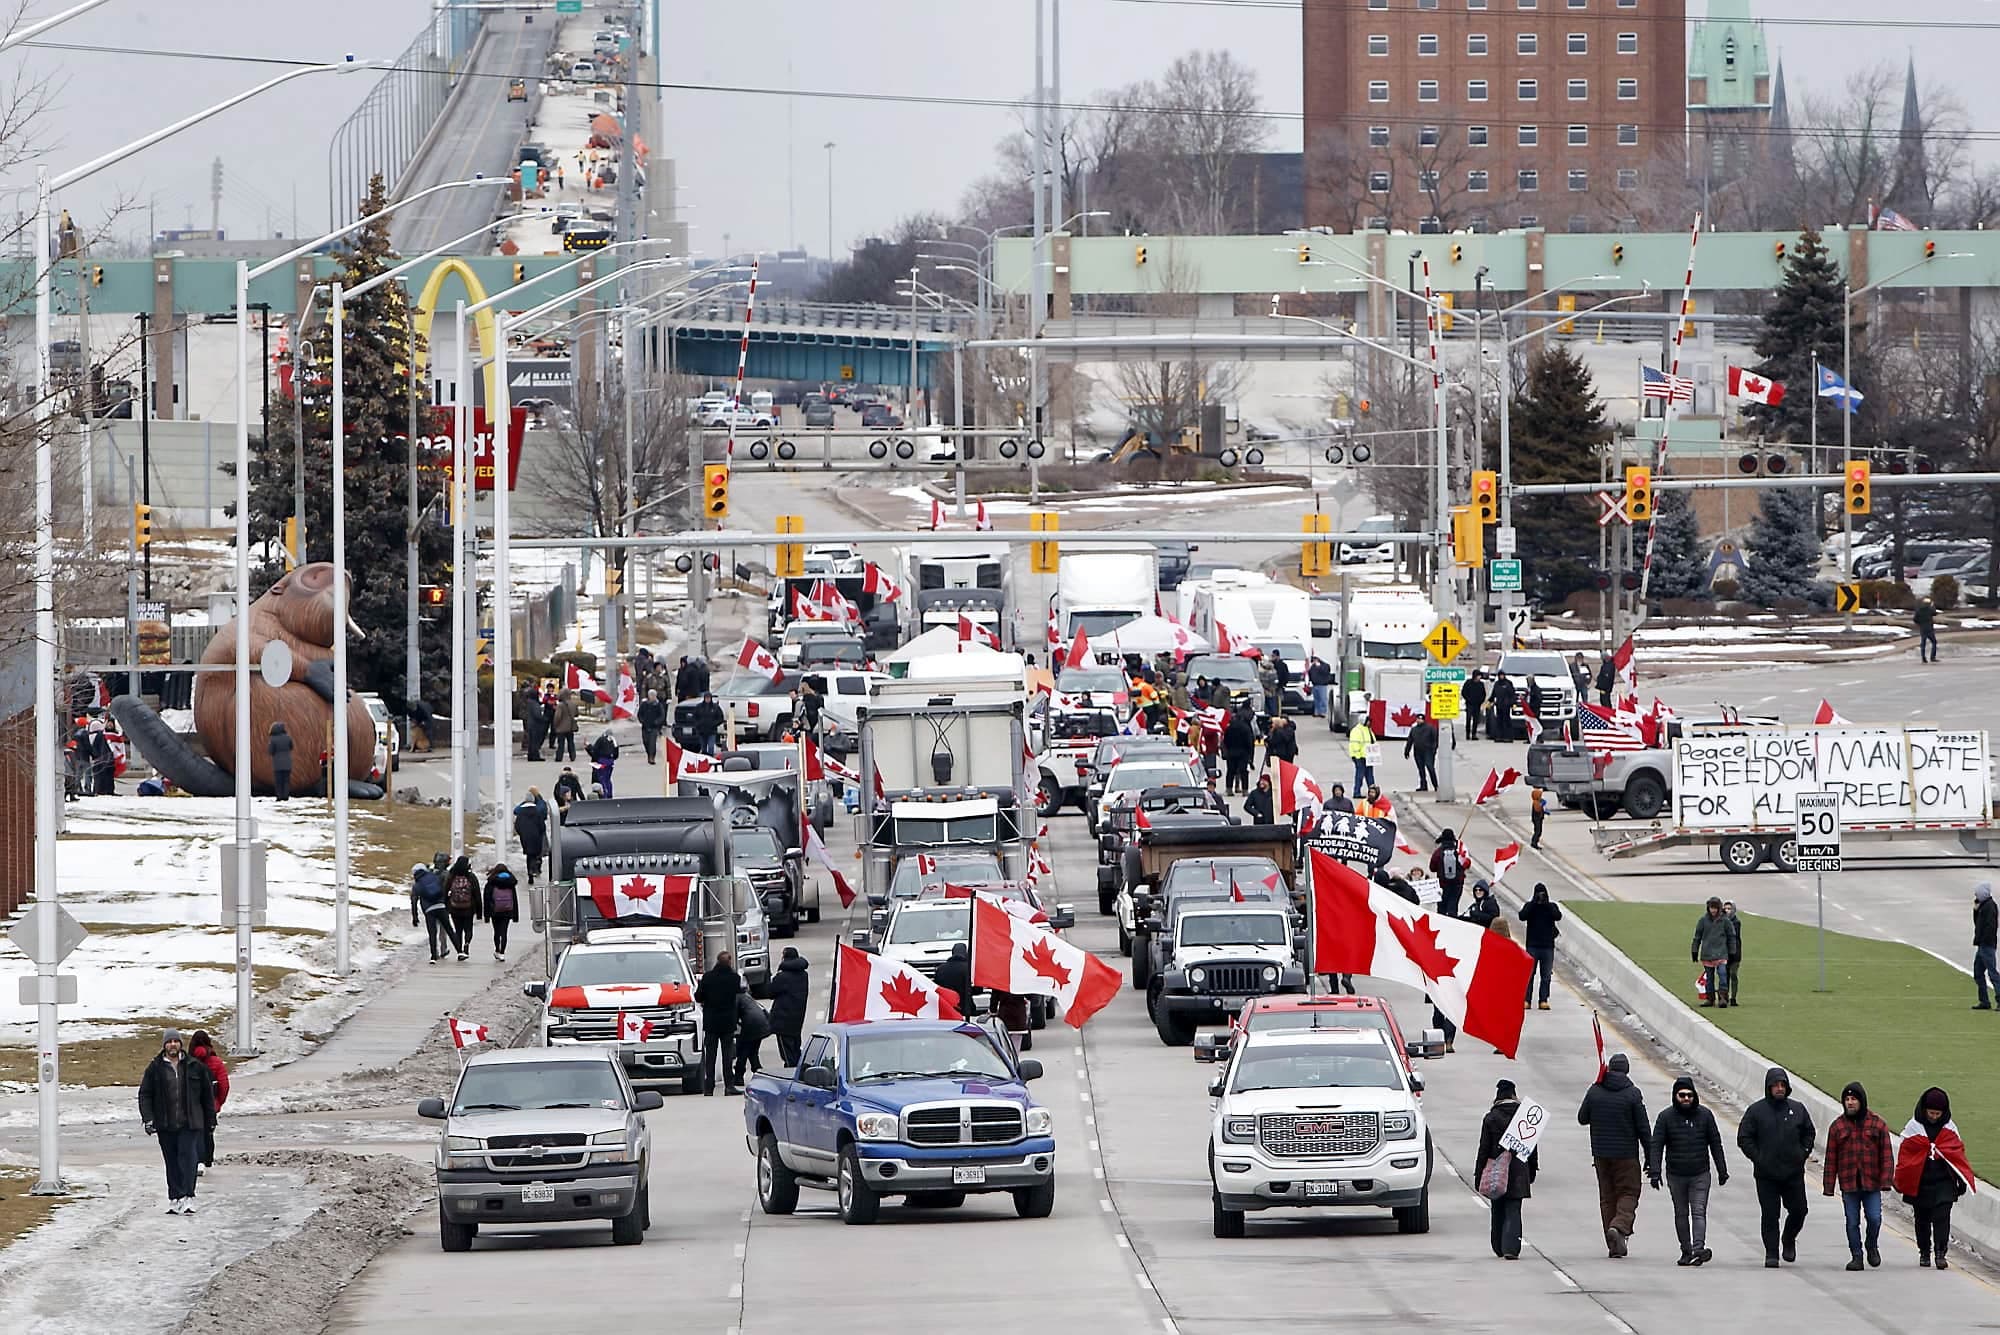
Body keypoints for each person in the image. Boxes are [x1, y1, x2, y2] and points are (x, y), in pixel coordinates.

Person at [1737, 1066, 1816, 1268]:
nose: (1779, 1089)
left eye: (1782, 1085)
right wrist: (1759, 1158)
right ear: (1769, 1087)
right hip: (1766, 1175)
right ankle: (1771, 1253)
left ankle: (1788, 1239)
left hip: (1793, 1173)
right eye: (1775, 1085)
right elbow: (1744, 1137)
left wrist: (1802, 1152)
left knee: (1799, 1210)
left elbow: (1809, 1132)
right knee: (1770, 1214)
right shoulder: (1756, 1111)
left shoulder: (1797, 1109)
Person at [1648, 1075, 1728, 1266]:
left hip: (1700, 1173)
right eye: (1681, 1095)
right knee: (1681, 1213)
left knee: (1699, 1211)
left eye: (1689, 1095)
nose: (1685, 1099)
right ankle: (1686, 1250)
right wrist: (1655, 1171)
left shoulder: (1705, 1115)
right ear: (1675, 1096)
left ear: (1695, 1096)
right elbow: (1657, 1145)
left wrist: (1722, 1169)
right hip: (1676, 1175)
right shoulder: (1665, 1117)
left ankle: (1698, 1248)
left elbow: (1715, 1143)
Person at [137, 1027, 216, 1214]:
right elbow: (145, 1095)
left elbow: (207, 1096)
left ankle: (188, 1196)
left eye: (176, 1041)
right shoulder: (155, 1068)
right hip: (165, 1124)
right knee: (171, 1162)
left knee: (188, 1160)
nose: (173, 1044)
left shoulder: (195, 1066)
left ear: (181, 1044)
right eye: (169, 1041)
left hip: (190, 1123)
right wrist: (148, 1118)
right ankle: (175, 1198)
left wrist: (210, 1120)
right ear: (164, 1045)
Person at [1578, 1052, 1649, 1257]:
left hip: (1600, 1154)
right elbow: (1643, 1128)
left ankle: (1614, 1244)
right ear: (1626, 1070)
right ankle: (1618, 1227)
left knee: (1607, 1197)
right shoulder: (1632, 1094)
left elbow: (1582, 1118)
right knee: (1628, 1192)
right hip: (1626, 1154)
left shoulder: (1595, 1090)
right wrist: (1651, 1158)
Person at [1896, 1086, 1971, 1269]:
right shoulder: (1913, 1127)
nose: (1934, 1117)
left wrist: (1961, 1179)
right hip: (1920, 1182)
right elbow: (1905, 1154)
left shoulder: (1950, 1129)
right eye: (1931, 1113)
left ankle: (1940, 1253)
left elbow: (1957, 1155)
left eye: (1938, 1113)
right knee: (1921, 1219)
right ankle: (1924, 1252)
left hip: (1943, 1182)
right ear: (1924, 1110)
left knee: (1942, 1217)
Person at [1824, 1081, 1894, 1271]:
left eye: (1854, 1099)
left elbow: (1887, 1155)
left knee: (1874, 1218)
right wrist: (1829, 1186)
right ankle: (1856, 1255)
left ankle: (1872, 1245)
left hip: (1871, 1184)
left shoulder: (1878, 1124)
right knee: (1852, 1221)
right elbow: (1831, 1158)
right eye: (1847, 1100)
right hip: (1849, 1185)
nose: (1850, 1103)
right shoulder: (1837, 1127)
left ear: (1861, 1101)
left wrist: (1886, 1180)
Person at [1476, 1078, 1538, 1260]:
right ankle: (1511, 1248)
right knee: (1514, 1209)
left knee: (1497, 1208)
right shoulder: (1524, 1117)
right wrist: (1532, 1171)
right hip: (1519, 1172)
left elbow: (1483, 1148)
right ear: (1513, 1095)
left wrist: (1479, 1174)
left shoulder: (1490, 1118)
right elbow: (1532, 1149)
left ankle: (1498, 1247)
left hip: (1497, 1172)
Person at [696, 951, 742, 1094]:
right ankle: (729, 1085)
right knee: (727, 1055)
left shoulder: (708, 977)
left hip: (711, 1021)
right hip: (728, 1022)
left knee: (710, 1055)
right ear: (729, 963)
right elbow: (738, 993)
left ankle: (709, 1087)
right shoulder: (734, 978)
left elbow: (698, 997)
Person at [188, 1030, 229, 1172]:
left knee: (194, 1132)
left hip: (192, 1105)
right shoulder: (216, 1062)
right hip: (211, 1104)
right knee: (208, 1131)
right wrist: (218, 1103)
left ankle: (196, 1159)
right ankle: (207, 1160)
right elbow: (224, 1085)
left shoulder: (188, 1061)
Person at [1520, 883, 1561, 1009]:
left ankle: (1543, 999)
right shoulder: (1530, 906)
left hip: (1547, 947)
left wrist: (1546, 904)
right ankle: (1527, 1000)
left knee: (1546, 976)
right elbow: (1522, 916)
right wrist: (1534, 903)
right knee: (1529, 975)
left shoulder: (1551, 906)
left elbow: (1558, 916)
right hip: (1533, 946)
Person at [767, 947, 810, 1066]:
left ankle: (791, 1073)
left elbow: (770, 992)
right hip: (797, 1018)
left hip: (782, 1019)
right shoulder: (804, 975)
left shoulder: (783, 976)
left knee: (786, 1053)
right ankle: (797, 1069)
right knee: (795, 1048)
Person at [1692, 897, 1733, 1009]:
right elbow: (1697, 937)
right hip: (1707, 954)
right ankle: (1710, 998)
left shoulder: (1725, 921)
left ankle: (1723, 998)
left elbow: (1731, 936)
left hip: (1721, 953)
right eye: (1711, 908)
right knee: (1709, 978)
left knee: (1723, 975)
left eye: (1715, 908)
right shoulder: (1703, 920)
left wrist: (1732, 951)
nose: (1713, 910)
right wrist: (1694, 950)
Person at [410, 861, 452, 962]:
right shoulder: (436, 878)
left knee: (433, 932)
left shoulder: (418, 883)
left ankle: (434, 953)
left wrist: (415, 917)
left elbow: (414, 900)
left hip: (428, 910)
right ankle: (443, 949)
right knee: (443, 929)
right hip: (441, 906)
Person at [443, 855, 482, 962]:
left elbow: (445, 891)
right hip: (469, 908)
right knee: (468, 929)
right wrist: (479, 912)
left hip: (455, 908)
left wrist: (446, 906)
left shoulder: (451, 876)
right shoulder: (471, 877)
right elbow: (477, 894)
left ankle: (459, 950)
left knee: (458, 930)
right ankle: (467, 944)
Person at [734, 981, 771, 1085]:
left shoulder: (736, 997)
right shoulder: (747, 997)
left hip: (751, 1025)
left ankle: (739, 1076)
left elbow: (734, 1016)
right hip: (763, 1025)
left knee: (743, 1051)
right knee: (753, 1051)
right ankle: (758, 1071)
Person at [483, 864, 521, 962]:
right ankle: (503, 953)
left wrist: (486, 915)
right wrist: (515, 915)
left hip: (495, 911)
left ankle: (497, 949)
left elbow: (486, 899)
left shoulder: (491, 882)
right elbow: (514, 899)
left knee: (496, 932)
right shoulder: (510, 883)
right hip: (507, 911)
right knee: (504, 932)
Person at [514, 788, 549, 885]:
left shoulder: (521, 812)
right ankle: (535, 869)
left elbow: (517, 825)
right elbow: (542, 826)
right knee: (536, 853)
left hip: (525, 837)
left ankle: (529, 870)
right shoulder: (537, 811)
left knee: (529, 854)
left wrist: (522, 833)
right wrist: (540, 833)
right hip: (536, 836)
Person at [1430, 829, 1467, 917]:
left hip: (1442, 885)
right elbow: (1466, 864)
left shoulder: (1438, 853)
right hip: (1457, 885)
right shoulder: (1458, 851)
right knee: (1453, 907)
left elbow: (1432, 868)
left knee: (1442, 908)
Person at [1974, 882, 1999, 1009]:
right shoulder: (1983, 906)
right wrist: (1975, 911)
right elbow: (1977, 924)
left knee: (1992, 973)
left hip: (1987, 945)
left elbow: (1990, 927)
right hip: (1982, 945)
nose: (1975, 895)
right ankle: (1984, 1001)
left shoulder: (1990, 907)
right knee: (1978, 972)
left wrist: (1983, 940)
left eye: (1977, 893)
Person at [935, 942, 974, 1015]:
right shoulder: (969, 969)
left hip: (946, 1007)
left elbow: (937, 989)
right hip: (965, 1008)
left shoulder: (940, 969)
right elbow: (977, 990)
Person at [1222, 710, 1255, 796]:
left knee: (1230, 771)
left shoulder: (1229, 728)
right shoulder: (1245, 728)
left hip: (1231, 752)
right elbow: (1249, 742)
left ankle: (1229, 789)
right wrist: (1250, 755)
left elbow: (1225, 740)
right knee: (1243, 771)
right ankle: (1245, 790)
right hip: (1243, 753)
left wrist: (1228, 750)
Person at [1405, 716, 1439, 793]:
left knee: (1430, 767)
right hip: (1418, 752)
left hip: (1428, 751)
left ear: (1423, 720)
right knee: (1421, 769)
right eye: (1418, 719)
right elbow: (1410, 740)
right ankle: (1423, 785)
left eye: (1421, 719)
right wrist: (1407, 751)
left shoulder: (1430, 728)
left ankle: (1436, 785)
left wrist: (1434, 749)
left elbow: (1435, 739)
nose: (1419, 720)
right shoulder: (1414, 729)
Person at [1348, 715, 1376, 792]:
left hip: (1369, 757)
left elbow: (1372, 741)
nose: (1369, 722)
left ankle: (1373, 792)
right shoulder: (1356, 730)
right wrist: (1357, 756)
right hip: (1360, 757)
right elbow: (1355, 744)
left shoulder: (1368, 730)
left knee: (1370, 776)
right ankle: (1356, 792)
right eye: (1368, 721)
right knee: (1359, 776)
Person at [588, 728, 619, 799]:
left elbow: (595, 751)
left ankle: (604, 794)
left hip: (602, 762)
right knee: (608, 779)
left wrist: (589, 747)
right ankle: (609, 794)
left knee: (601, 779)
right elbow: (616, 755)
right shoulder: (614, 741)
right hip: (610, 763)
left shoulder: (601, 739)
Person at [519, 681, 546, 761]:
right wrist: (543, 719)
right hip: (535, 724)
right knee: (535, 741)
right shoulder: (534, 703)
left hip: (530, 722)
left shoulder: (528, 702)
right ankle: (535, 755)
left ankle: (530, 755)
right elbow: (537, 715)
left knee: (531, 740)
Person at [267, 720, 293, 801]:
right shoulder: (288, 737)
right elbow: (291, 747)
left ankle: (279, 796)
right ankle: (286, 796)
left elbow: (271, 751)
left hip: (277, 763)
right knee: (286, 780)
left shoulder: (273, 739)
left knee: (278, 781)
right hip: (288, 762)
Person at [637, 690, 665, 764]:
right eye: (651, 695)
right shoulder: (644, 704)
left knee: (652, 743)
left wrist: (657, 722)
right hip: (645, 726)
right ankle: (649, 754)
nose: (652, 697)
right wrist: (642, 721)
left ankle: (652, 757)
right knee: (645, 741)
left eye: (653, 695)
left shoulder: (658, 705)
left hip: (654, 727)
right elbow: (640, 714)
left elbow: (662, 715)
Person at [1723, 901, 1743, 1005]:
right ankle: (1724, 997)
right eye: (1725, 908)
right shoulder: (1721, 921)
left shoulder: (1736, 922)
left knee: (1733, 974)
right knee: (1724, 975)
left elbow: (1733, 936)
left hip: (1735, 953)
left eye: (1729, 909)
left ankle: (1733, 997)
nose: (1727, 911)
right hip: (1724, 953)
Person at [550, 690, 578, 762]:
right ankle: (572, 756)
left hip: (561, 727)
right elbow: (576, 714)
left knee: (561, 743)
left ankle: (559, 757)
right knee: (571, 742)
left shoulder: (561, 705)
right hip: (571, 727)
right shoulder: (573, 704)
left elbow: (557, 717)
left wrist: (555, 725)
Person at [1489, 673, 1517, 743]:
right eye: (1500, 675)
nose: (1501, 676)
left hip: (1506, 705)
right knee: (1499, 721)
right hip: (1499, 705)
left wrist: (1513, 703)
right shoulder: (1497, 684)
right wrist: (1489, 701)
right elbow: (1493, 694)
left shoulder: (1508, 683)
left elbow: (1512, 694)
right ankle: (1499, 736)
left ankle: (1508, 737)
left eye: (1502, 675)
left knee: (1507, 721)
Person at [1463, 670, 1488, 741]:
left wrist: (1480, 701)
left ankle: (1474, 734)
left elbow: (1483, 694)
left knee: (1476, 720)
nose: (1479, 677)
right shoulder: (1468, 683)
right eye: (1478, 676)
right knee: (1468, 719)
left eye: (1480, 676)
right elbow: (1464, 692)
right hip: (1469, 704)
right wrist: (1468, 699)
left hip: (1477, 705)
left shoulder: (1481, 684)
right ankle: (1467, 734)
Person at [1916, 597, 1939, 663]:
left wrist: (1920, 624)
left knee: (1923, 644)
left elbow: (1915, 619)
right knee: (1934, 642)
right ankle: (1932, 657)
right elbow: (1935, 613)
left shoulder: (1919, 610)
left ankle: (1923, 658)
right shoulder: (1929, 610)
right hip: (1929, 629)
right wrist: (1933, 606)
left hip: (1923, 629)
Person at [1529, 785, 1549, 849]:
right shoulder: (1536, 803)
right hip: (1537, 819)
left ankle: (1535, 842)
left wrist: (1545, 812)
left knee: (1538, 831)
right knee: (1538, 831)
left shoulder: (1537, 802)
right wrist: (1542, 804)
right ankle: (1534, 843)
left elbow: (1541, 809)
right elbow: (1538, 809)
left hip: (1539, 818)